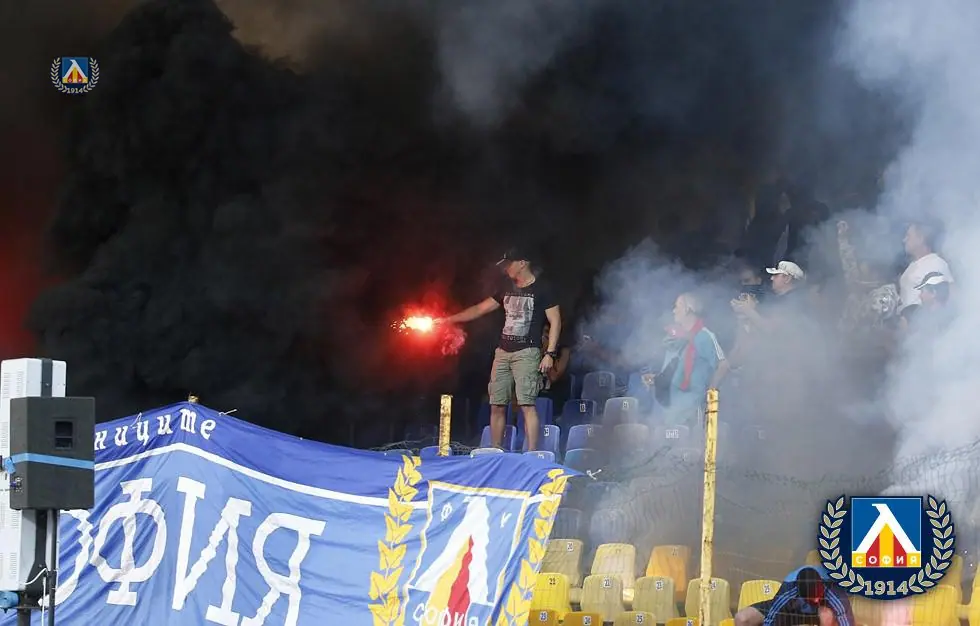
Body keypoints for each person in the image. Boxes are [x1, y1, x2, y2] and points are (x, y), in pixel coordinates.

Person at [441, 249, 560, 451]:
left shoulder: (542, 288)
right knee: (496, 404)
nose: (506, 269)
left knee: (527, 405)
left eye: (509, 264)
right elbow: (480, 309)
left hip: (527, 352)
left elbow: (555, 321)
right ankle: (496, 451)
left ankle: (532, 455)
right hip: (503, 352)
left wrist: (549, 353)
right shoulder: (506, 287)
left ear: (522, 263)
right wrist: (448, 320)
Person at [641, 292, 726, 427]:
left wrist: (709, 397)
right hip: (671, 409)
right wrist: (656, 379)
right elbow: (675, 373)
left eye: (677, 306)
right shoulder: (676, 340)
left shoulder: (704, 336)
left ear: (687, 309)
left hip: (692, 411)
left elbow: (723, 365)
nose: (673, 311)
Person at [734, 566, 854, 626]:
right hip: (789, 613)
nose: (817, 600)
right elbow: (771, 619)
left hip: (816, 616)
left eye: (818, 595)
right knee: (741, 618)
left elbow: (846, 622)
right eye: (811, 598)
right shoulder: (789, 589)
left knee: (826, 615)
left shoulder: (833, 589)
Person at [899, 219, 953, 313]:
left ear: (920, 239)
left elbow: (941, 302)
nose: (904, 240)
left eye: (908, 236)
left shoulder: (934, 263)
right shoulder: (916, 264)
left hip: (921, 321)